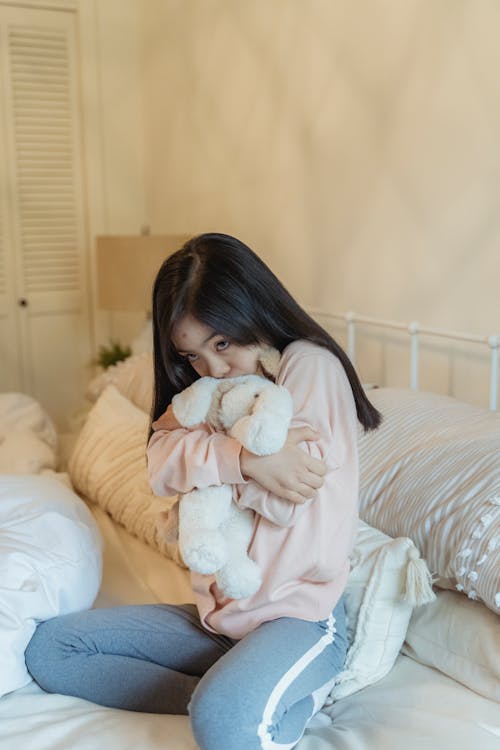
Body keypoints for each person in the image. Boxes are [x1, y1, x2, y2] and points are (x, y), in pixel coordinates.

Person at [25, 233, 382, 750]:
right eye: (192, 356)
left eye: (222, 344)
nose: (213, 370)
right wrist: (242, 459)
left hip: (299, 618)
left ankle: (247, 695)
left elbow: (286, 498)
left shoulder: (309, 364)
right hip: (221, 620)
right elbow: (158, 465)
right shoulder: (216, 391)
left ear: (253, 313)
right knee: (53, 648)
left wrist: (208, 457)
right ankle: (226, 687)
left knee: (222, 723)